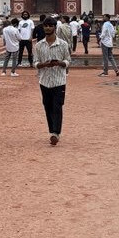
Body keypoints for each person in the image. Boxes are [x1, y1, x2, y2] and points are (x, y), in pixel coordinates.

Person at [34, 16, 71, 146]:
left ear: (55, 27)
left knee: (57, 106)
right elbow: (36, 62)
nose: (48, 28)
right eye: (46, 26)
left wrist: (60, 63)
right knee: (48, 106)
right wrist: (44, 65)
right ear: (43, 27)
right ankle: (52, 131)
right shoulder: (39, 45)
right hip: (44, 81)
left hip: (59, 81)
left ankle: (56, 133)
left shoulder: (63, 44)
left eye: (50, 26)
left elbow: (68, 60)